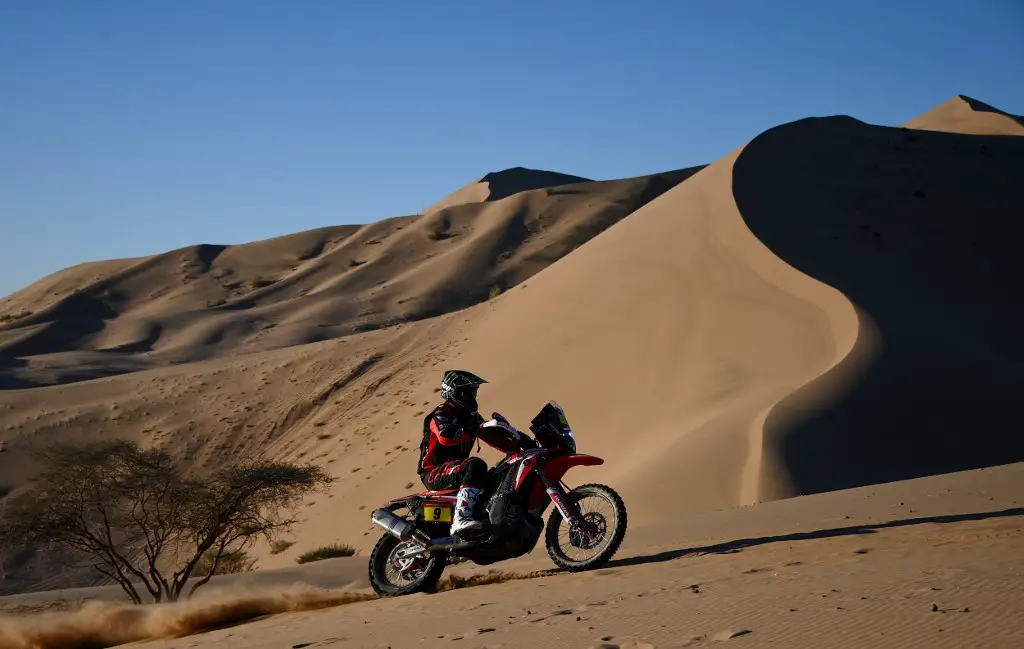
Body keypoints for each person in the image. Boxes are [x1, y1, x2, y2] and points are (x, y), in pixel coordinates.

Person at [417, 370, 533, 535]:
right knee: (476, 464)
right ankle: (460, 518)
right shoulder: (441, 413)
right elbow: (445, 437)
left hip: (458, 471)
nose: (473, 397)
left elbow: (491, 437)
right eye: (469, 392)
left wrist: (518, 446)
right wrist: (472, 430)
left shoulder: (470, 417)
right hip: (433, 472)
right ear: (456, 393)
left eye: (474, 392)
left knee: (499, 472)